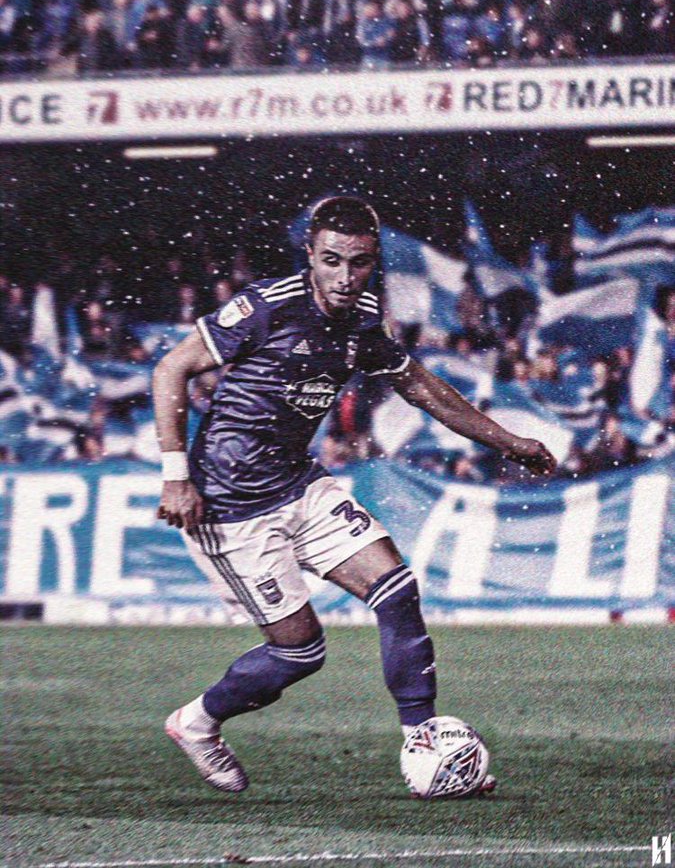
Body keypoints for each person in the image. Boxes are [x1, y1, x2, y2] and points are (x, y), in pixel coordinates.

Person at [154, 197, 556, 796]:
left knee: (397, 590)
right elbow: (171, 368)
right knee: (300, 652)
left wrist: (509, 441)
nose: (345, 277)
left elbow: (422, 388)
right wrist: (175, 475)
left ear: (374, 261)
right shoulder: (267, 307)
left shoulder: (364, 317)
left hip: (298, 482)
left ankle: (422, 744)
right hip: (230, 501)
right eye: (332, 260)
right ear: (310, 255)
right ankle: (196, 722)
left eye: (359, 262)